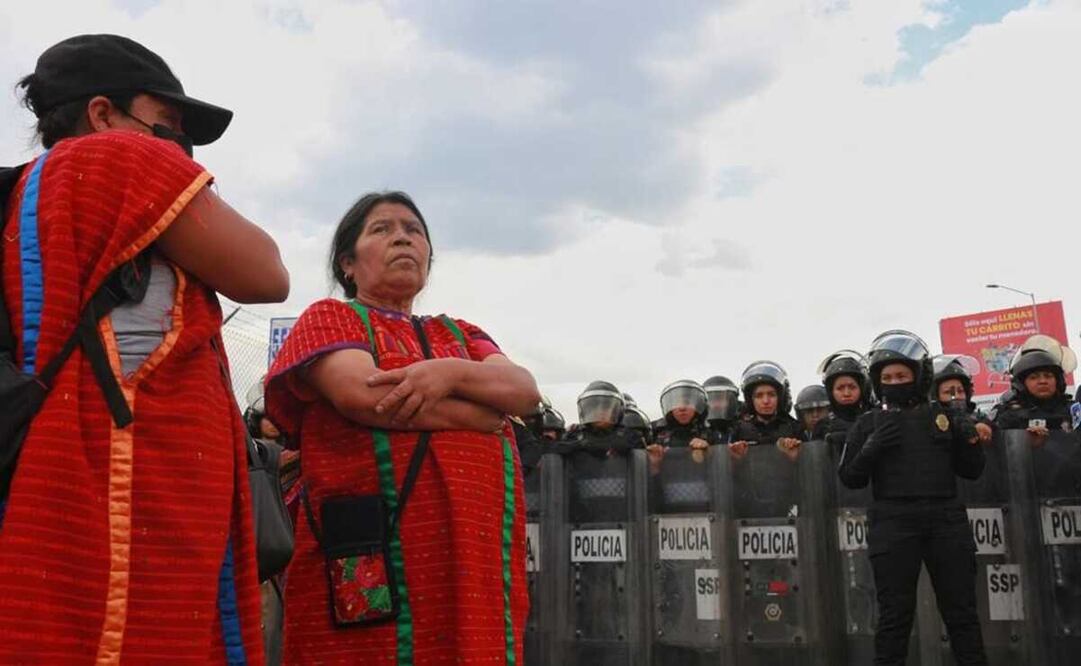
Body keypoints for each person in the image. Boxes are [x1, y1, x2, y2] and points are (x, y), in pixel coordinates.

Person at [0, 34, 288, 662]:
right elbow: (266, 273)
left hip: (54, 479)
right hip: (131, 496)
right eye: (165, 125)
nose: (178, 149)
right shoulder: (114, 161)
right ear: (102, 115)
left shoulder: (32, 190)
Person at [265, 191, 539, 664]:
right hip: (372, 554)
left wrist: (447, 373)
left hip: (471, 564)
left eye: (413, 230)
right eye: (382, 229)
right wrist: (482, 416)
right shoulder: (330, 318)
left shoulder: (460, 334)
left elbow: (523, 391)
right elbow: (364, 395)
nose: (402, 239)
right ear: (348, 263)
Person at [839, 330, 987, 666]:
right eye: (887, 377)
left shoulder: (945, 416)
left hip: (946, 521)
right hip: (893, 524)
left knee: (962, 615)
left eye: (902, 375)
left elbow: (972, 471)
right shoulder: (868, 423)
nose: (894, 382)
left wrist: (969, 438)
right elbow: (849, 477)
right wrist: (871, 448)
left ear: (919, 375)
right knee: (894, 619)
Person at [991, 335, 1076, 441]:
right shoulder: (1008, 413)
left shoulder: (1074, 410)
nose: (1042, 381)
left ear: (1058, 381)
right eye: (1033, 377)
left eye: (1048, 376)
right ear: (1021, 384)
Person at [728, 361, 804, 462]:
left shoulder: (795, 428)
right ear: (751, 400)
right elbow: (726, 470)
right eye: (759, 396)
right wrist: (734, 455)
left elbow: (809, 466)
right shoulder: (738, 429)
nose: (766, 401)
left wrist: (796, 455)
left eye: (771, 395)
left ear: (780, 398)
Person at [815, 349, 873, 455]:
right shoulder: (823, 426)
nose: (846, 393)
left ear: (862, 388)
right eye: (840, 388)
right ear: (831, 391)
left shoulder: (875, 418)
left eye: (852, 387)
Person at [931, 354, 993, 444]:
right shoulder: (927, 424)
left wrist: (985, 427)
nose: (955, 396)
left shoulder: (977, 419)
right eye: (948, 392)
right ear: (934, 396)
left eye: (960, 391)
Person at [703, 375, 740, 443]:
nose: (716, 405)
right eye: (712, 400)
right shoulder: (699, 431)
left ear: (730, 402)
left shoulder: (742, 428)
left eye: (720, 399)